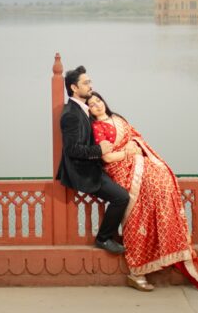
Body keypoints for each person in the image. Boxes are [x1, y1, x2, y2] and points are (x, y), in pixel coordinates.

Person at [87, 91, 198, 291]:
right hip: (122, 168)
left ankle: (168, 239)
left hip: (138, 162)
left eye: (98, 100)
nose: (97, 105)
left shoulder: (118, 119)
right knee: (139, 207)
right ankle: (138, 269)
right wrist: (126, 152)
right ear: (89, 110)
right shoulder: (97, 128)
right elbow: (106, 158)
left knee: (164, 182)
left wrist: (134, 145)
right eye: (91, 104)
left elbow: (136, 138)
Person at [55, 66, 129, 255]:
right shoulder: (71, 114)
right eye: (86, 83)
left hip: (95, 165)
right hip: (84, 172)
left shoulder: (82, 109)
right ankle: (103, 239)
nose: (90, 86)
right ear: (74, 88)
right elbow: (71, 150)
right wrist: (100, 149)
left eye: (90, 82)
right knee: (121, 197)